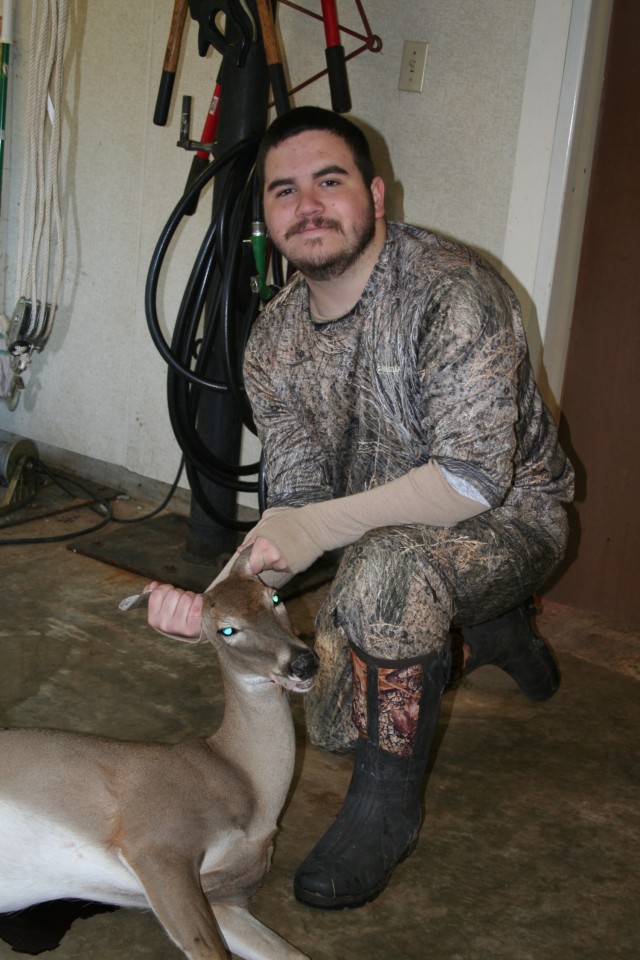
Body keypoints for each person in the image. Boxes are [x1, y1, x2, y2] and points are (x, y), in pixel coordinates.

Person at [147, 106, 574, 911]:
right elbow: (301, 498)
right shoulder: (274, 341)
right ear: (267, 218)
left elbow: (473, 481)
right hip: (386, 530)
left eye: (329, 181)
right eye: (284, 191)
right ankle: (495, 629)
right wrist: (220, 601)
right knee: (341, 700)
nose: (307, 204)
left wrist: (312, 530)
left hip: (512, 517)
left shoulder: (455, 293)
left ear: (376, 195)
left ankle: (386, 807)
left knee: (387, 581)